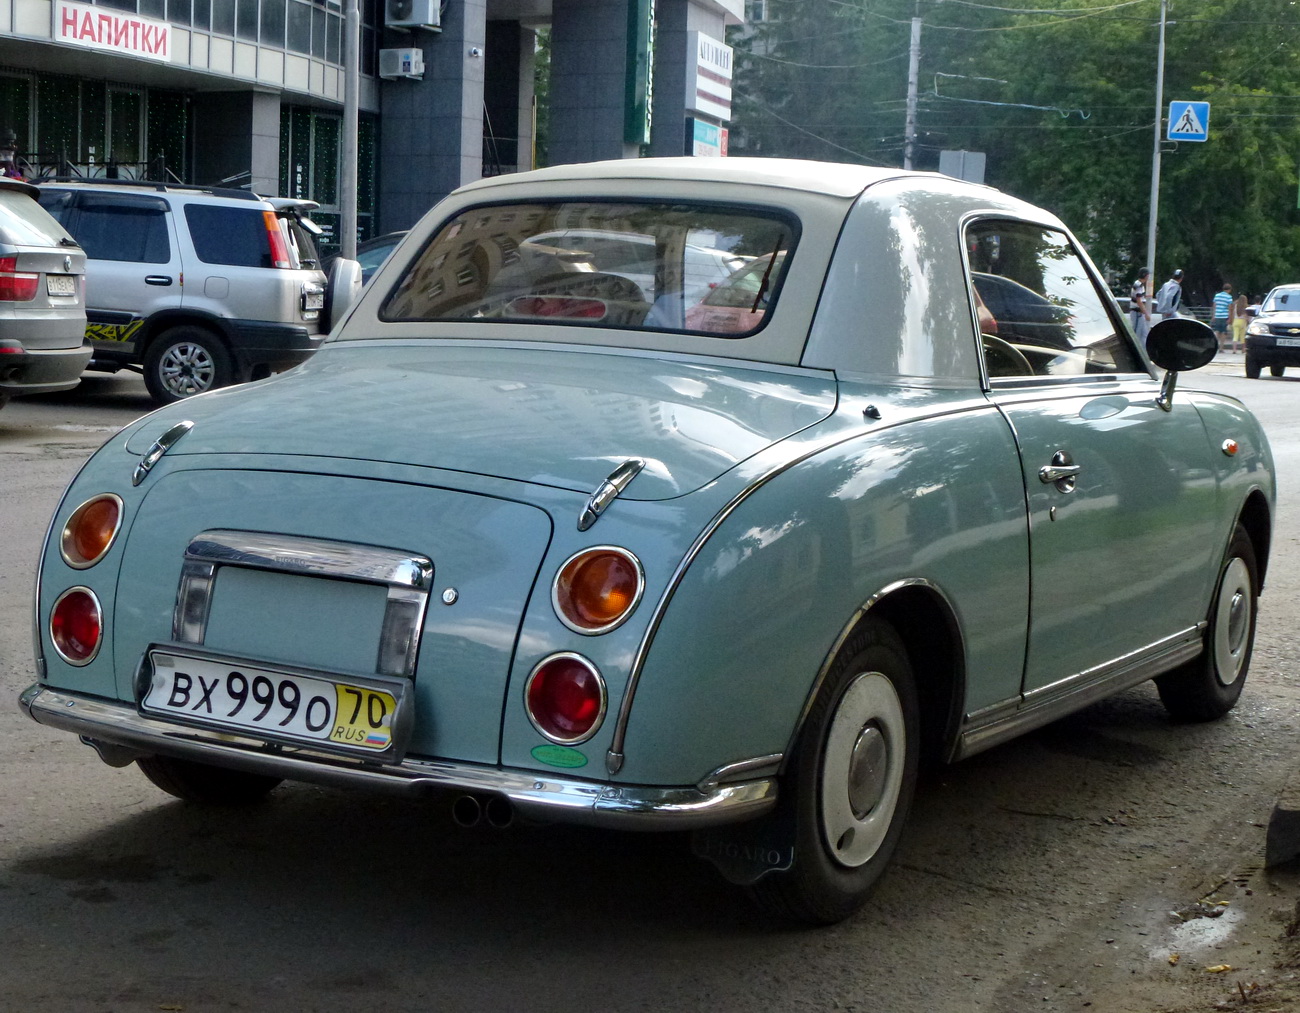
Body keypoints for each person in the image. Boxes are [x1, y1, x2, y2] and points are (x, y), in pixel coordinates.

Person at [1129, 267, 1152, 340]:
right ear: (1145, 275)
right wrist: (1146, 314)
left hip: (1138, 312)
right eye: (1148, 275)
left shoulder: (1138, 284)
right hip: (1137, 312)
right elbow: (1139, 301)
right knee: (1138, 334)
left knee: (1143, 333)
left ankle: (1143, 349)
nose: (1148, 277)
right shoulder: (1139, 286)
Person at [1211, 283, 1233, 350]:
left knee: (1217, 331)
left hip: (1217, 315)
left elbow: (1214, 306)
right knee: (1223, 332)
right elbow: (1230, 308)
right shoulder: (1229, 297)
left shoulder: (1217, 296)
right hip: (1224, 316)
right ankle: (1221, 347)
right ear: (1229, 290)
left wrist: (1213, 315)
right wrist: (1230, 318)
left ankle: (1214, 345)